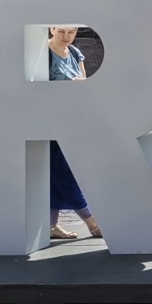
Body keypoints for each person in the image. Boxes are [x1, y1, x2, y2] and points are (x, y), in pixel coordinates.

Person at [47, 26, 102, 240]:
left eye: (71, 32)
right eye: (61, 31)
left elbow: (84, 86)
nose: (66, 36)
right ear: (52, 29)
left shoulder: (75, 53)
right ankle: (91, 221)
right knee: (64, 172)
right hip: (52, 122)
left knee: (56, 173)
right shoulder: (43, 53)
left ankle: (51, 225)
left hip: (72, 121)